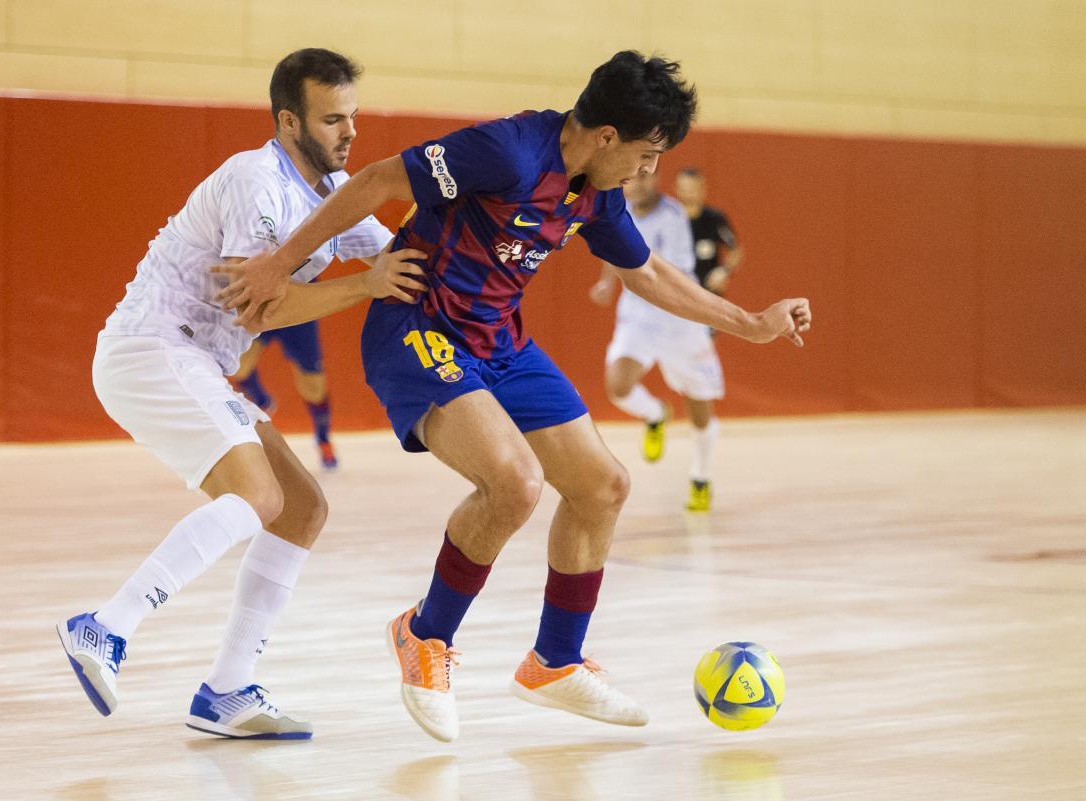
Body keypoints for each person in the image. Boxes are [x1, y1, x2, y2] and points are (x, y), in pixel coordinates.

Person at [217, 51, 810, 743]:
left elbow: (645, 272)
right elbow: (378, 179)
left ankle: (554, 661)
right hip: (417, 326)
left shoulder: (596, 189)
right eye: (647, 154)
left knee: (602, 485)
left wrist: (750, 324)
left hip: (500, 341)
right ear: (608, 136)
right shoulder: (509, 150)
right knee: (515, 483)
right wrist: (278, 263)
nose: (649, 171)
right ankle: (424, 634)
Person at [55, 48, 425, 741]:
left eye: (353, 117)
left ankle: (225, 691)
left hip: (195, 359)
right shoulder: (257, 181)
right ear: (289, 121)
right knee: (259, 497)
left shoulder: (334, 192)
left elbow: (395, 254)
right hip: (154, 346)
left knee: (302, 508)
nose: (349, 133)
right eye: (332, 119)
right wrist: (362, 287)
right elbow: (260, 309)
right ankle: (104, 626)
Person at [588, 173, 724, 511]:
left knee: (700, 404)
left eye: (644, 177)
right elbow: (611, 250)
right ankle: (655, 413)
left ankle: (700, 478)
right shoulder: (619, 211)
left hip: (678, 316)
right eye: (630, 178)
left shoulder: (674, 216)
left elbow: (671, 274)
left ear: (656, 179)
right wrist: (607, 282)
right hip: (639, 316)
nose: (637, 183)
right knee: (617, 386)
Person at [232, 318, 339, 470]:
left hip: (300, 315)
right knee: (237, 364)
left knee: (314, 388)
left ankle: (323, 439)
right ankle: (261, 401)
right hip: (262, 310)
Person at [674, 166, 743, 296]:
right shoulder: (669, 221)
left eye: (693, 189)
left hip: (709, 295)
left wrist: (723, 271)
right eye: (684, 189)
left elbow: (736, 250)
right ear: (677, 189)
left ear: (703, 189)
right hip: (677, 295)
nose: (688, 194)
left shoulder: (715, 219)